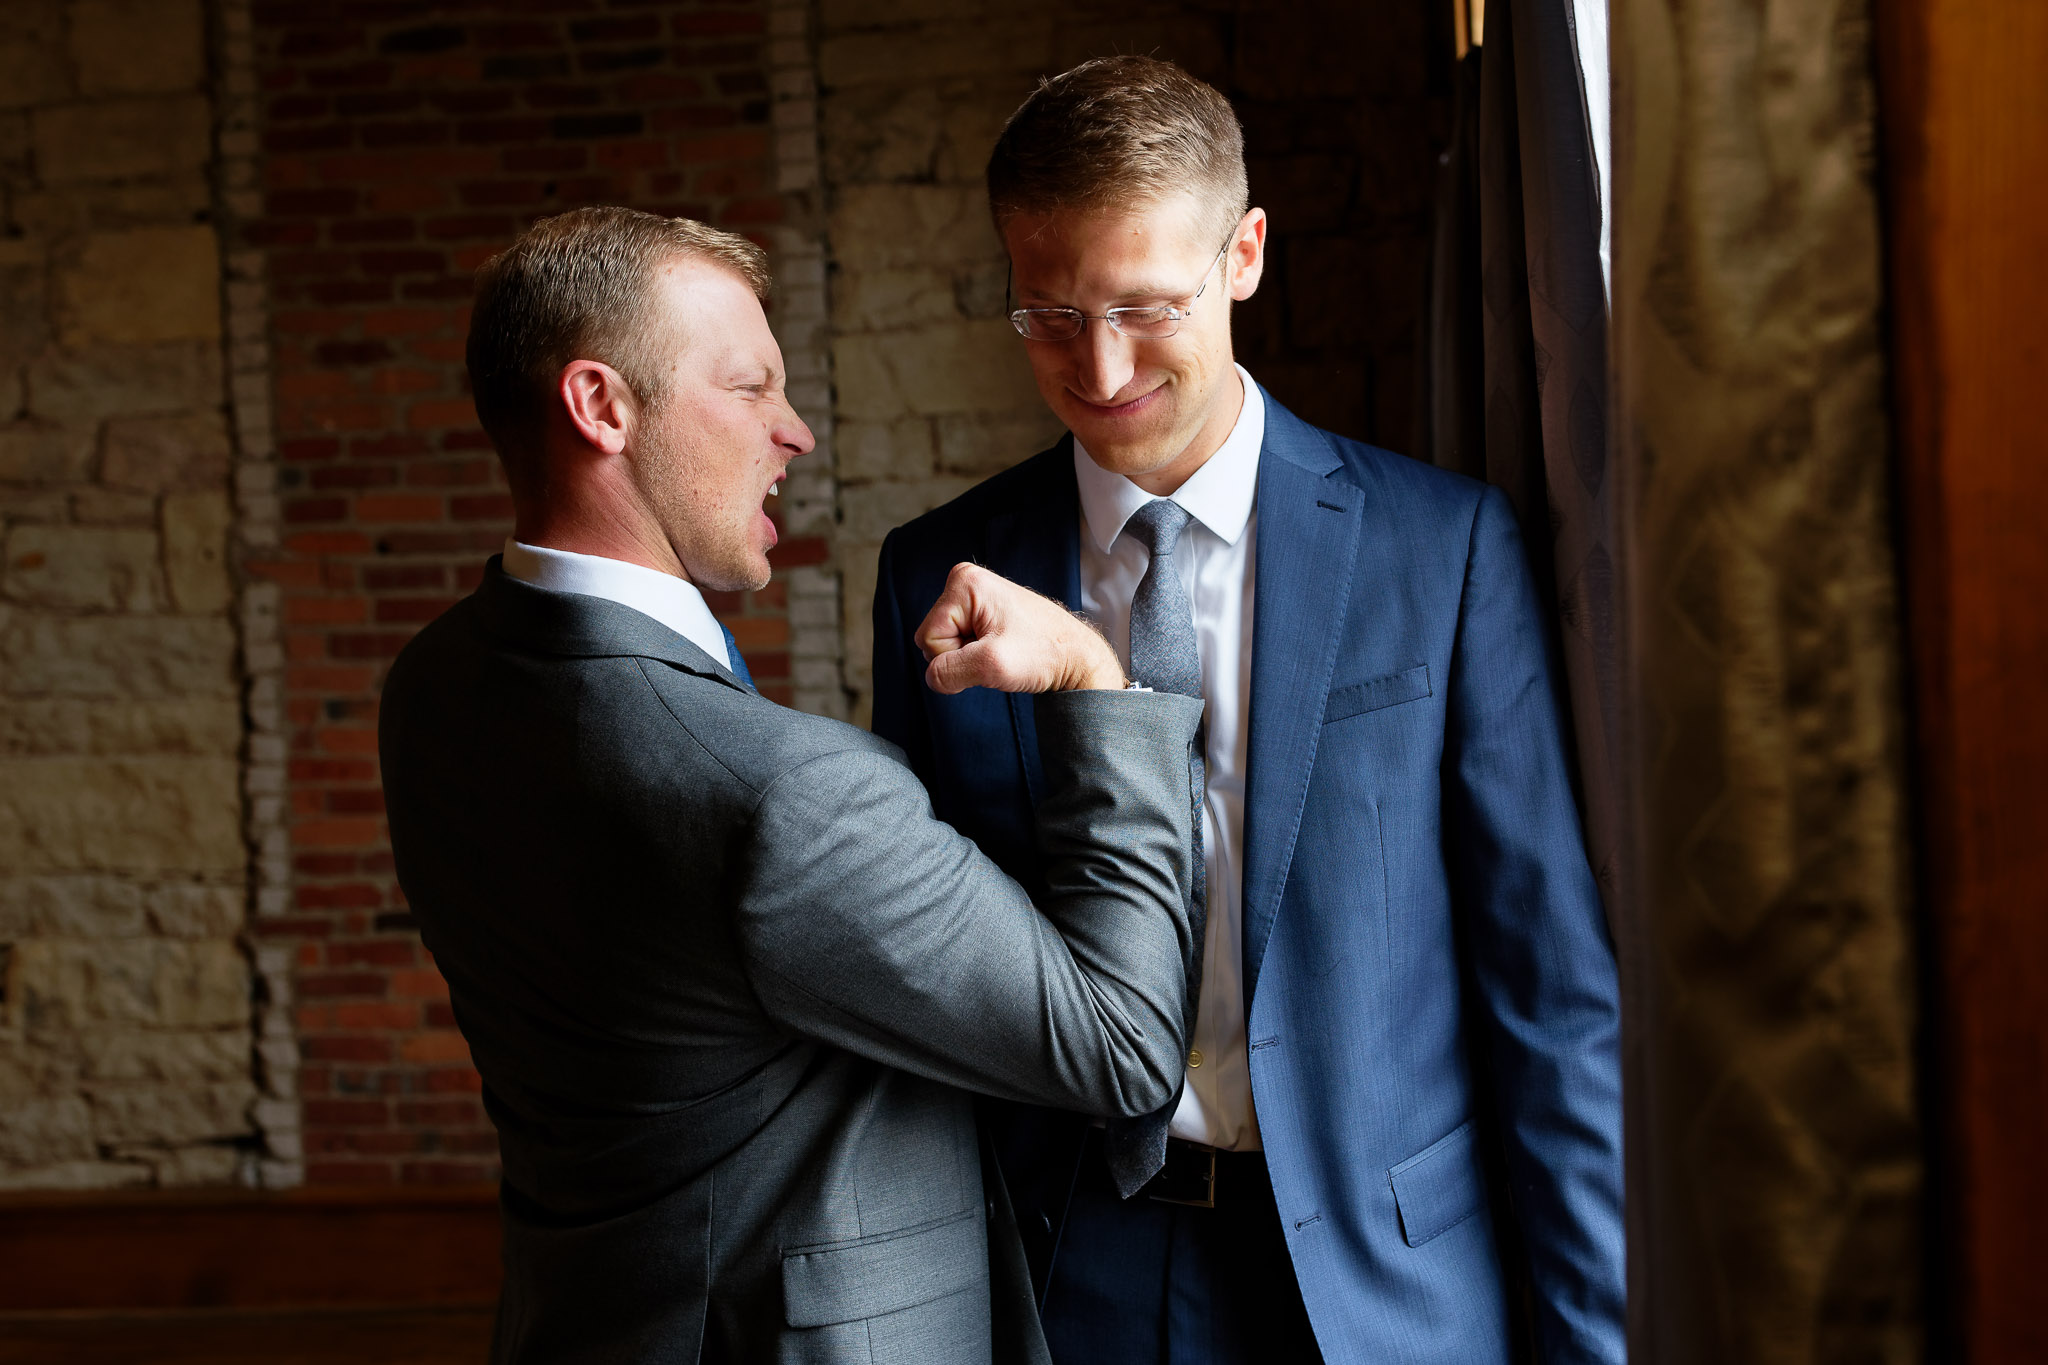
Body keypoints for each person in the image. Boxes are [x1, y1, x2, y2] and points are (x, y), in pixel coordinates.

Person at [871, 57, 1625, 1365]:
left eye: (1145, 305)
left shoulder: (1443, 549)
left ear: (1246, 254)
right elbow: (934, 985)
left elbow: (1550, 999)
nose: (1098, 369)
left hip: (1392, 1285)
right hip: (1072, 1274)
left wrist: (1595, 1340)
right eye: (1048, 313)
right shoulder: (933, 571)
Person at [379, 206, 1207, 1365]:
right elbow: (1120, 1051)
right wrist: (1093, 683)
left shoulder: (435, 687)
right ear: (600, 406)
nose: (795, 432)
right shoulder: (789, 795)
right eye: (749, 388)